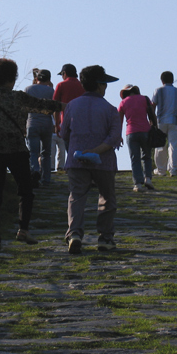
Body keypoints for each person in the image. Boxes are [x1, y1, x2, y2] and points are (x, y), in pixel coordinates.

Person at [0, 59, 64, 250]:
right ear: (12, 78)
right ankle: (23, 229)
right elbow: (43, 106)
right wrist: (65, 106)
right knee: (26, 191)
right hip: (17, 150)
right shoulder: (18, 98)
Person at [60, 65, 123, 254]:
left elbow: (64, 133)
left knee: (77, 197)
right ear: (99, 85)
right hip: (103, 161)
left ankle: (75, 234)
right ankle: (105, 238)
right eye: (104, 83)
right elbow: (113, 139)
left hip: (76, 160)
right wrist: (95, 151)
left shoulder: (71, 106)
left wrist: (79, 150)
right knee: (107, 197)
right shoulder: (110, 110)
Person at [117, 85, 157, 192]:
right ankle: (148, 178)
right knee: (147, 156)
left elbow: (119, 121)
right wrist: (155, 127)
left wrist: (118, 136)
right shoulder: (144, 99)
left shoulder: (123, 102)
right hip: (145, 131)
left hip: (131, 132)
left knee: (135, 158)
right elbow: (152, 114)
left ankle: (138, 184)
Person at [151, 71, 177, 177]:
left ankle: (161, 170)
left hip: (161, 121)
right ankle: (173, 169)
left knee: (160, 146)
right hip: (174, 121)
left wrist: (151, 121)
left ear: (162, 80)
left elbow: (153, 107)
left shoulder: (157, 91)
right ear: (172, 80)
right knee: (173, 145)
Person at [24, 68, 55, 188]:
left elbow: (24, 107)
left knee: (33, 152)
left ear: (37, 79)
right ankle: (46, 179)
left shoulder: (28, 89)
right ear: (49, 79)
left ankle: (34, 171)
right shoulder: (51, 91)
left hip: (32, 122)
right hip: (46, 123)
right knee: (46, 153)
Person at [53, 63, 85, 156]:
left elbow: (56, 106)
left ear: (65, 73)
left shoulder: (61, 85)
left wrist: (56, 125)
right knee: (80, 147)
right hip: (82, 121)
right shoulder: (82, 85)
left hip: (66, 121)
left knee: (69, 149)